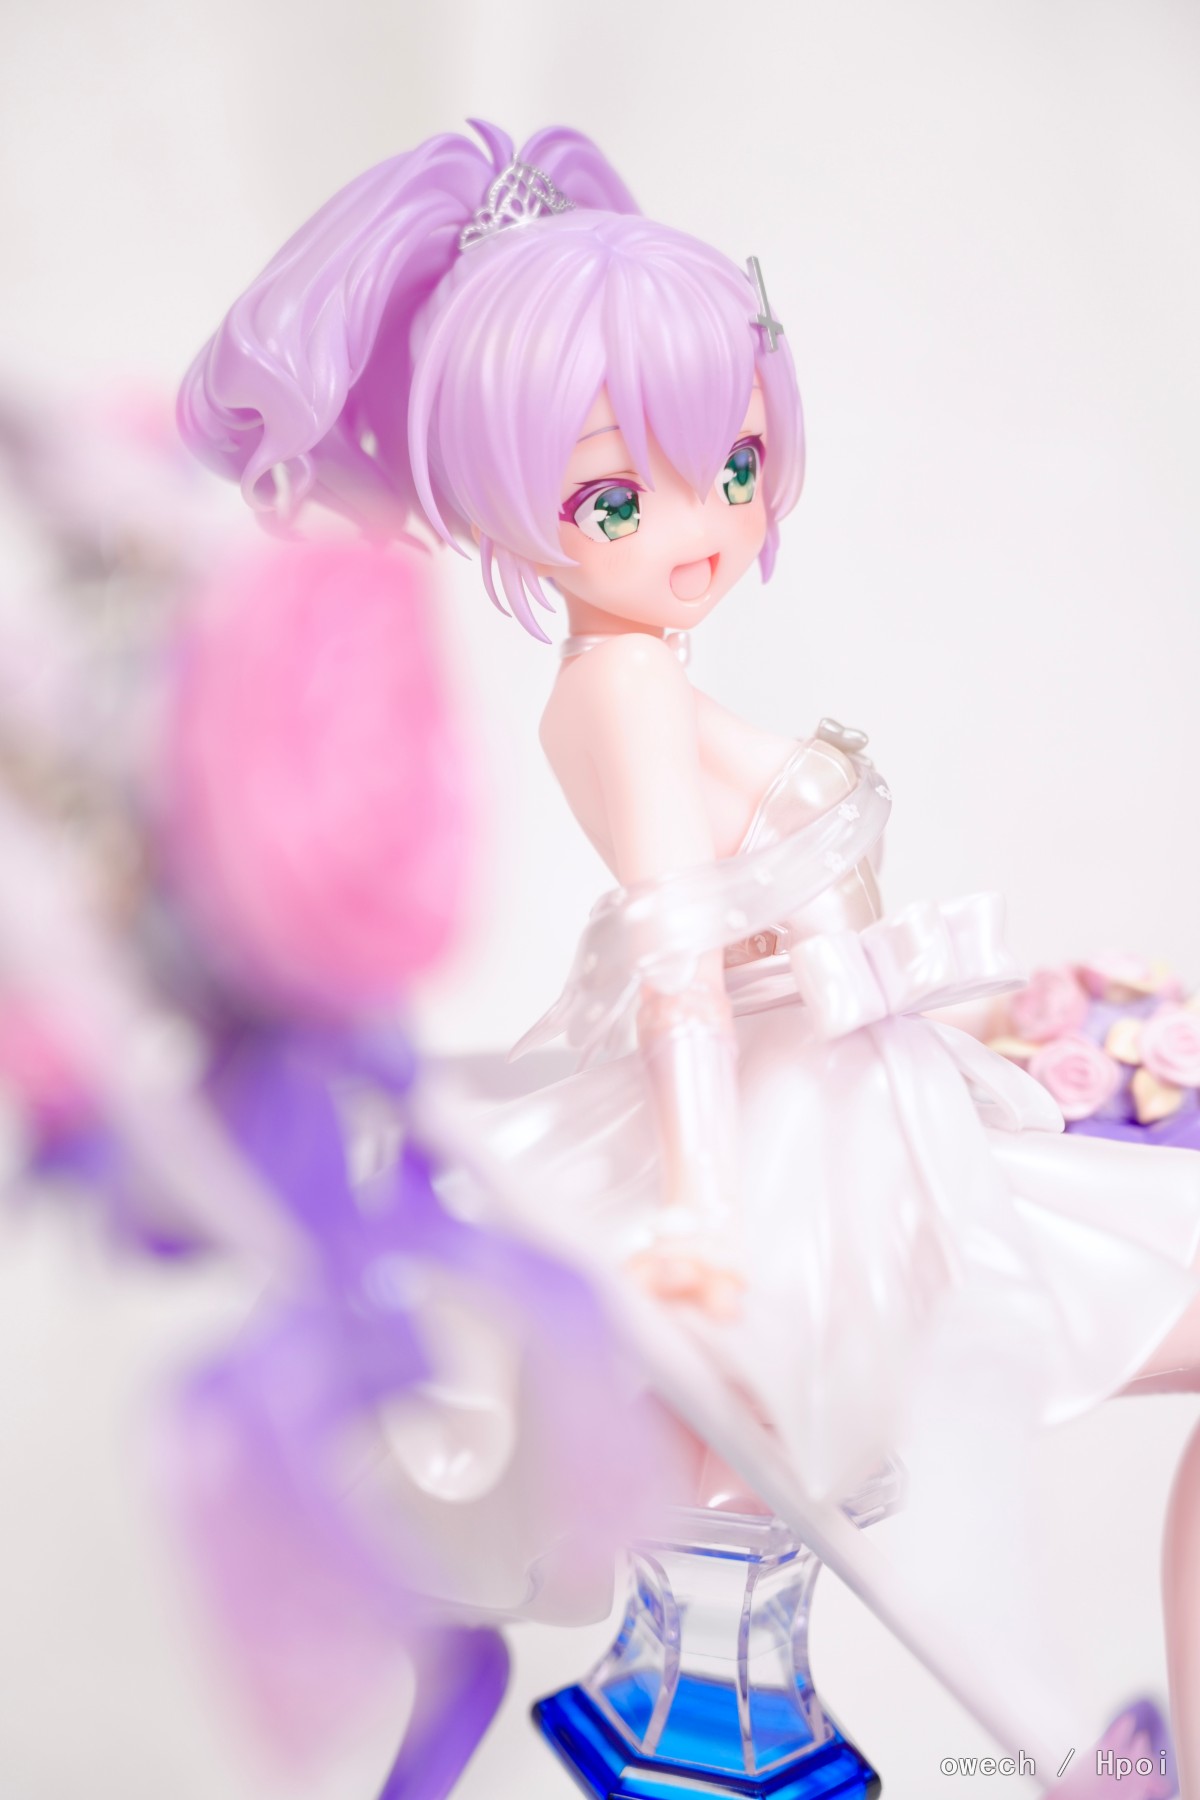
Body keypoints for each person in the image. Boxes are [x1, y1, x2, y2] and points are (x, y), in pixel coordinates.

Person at [180, 119, 1200, 1794]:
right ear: (512, 505)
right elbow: (674, 954)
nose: (705, 524)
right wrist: (708, 1213)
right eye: (615, 495)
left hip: (877, 1100)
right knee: (875, 1477)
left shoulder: (643, 673)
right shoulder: (623, 690)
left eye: (734, 464)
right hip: (802, 1139)